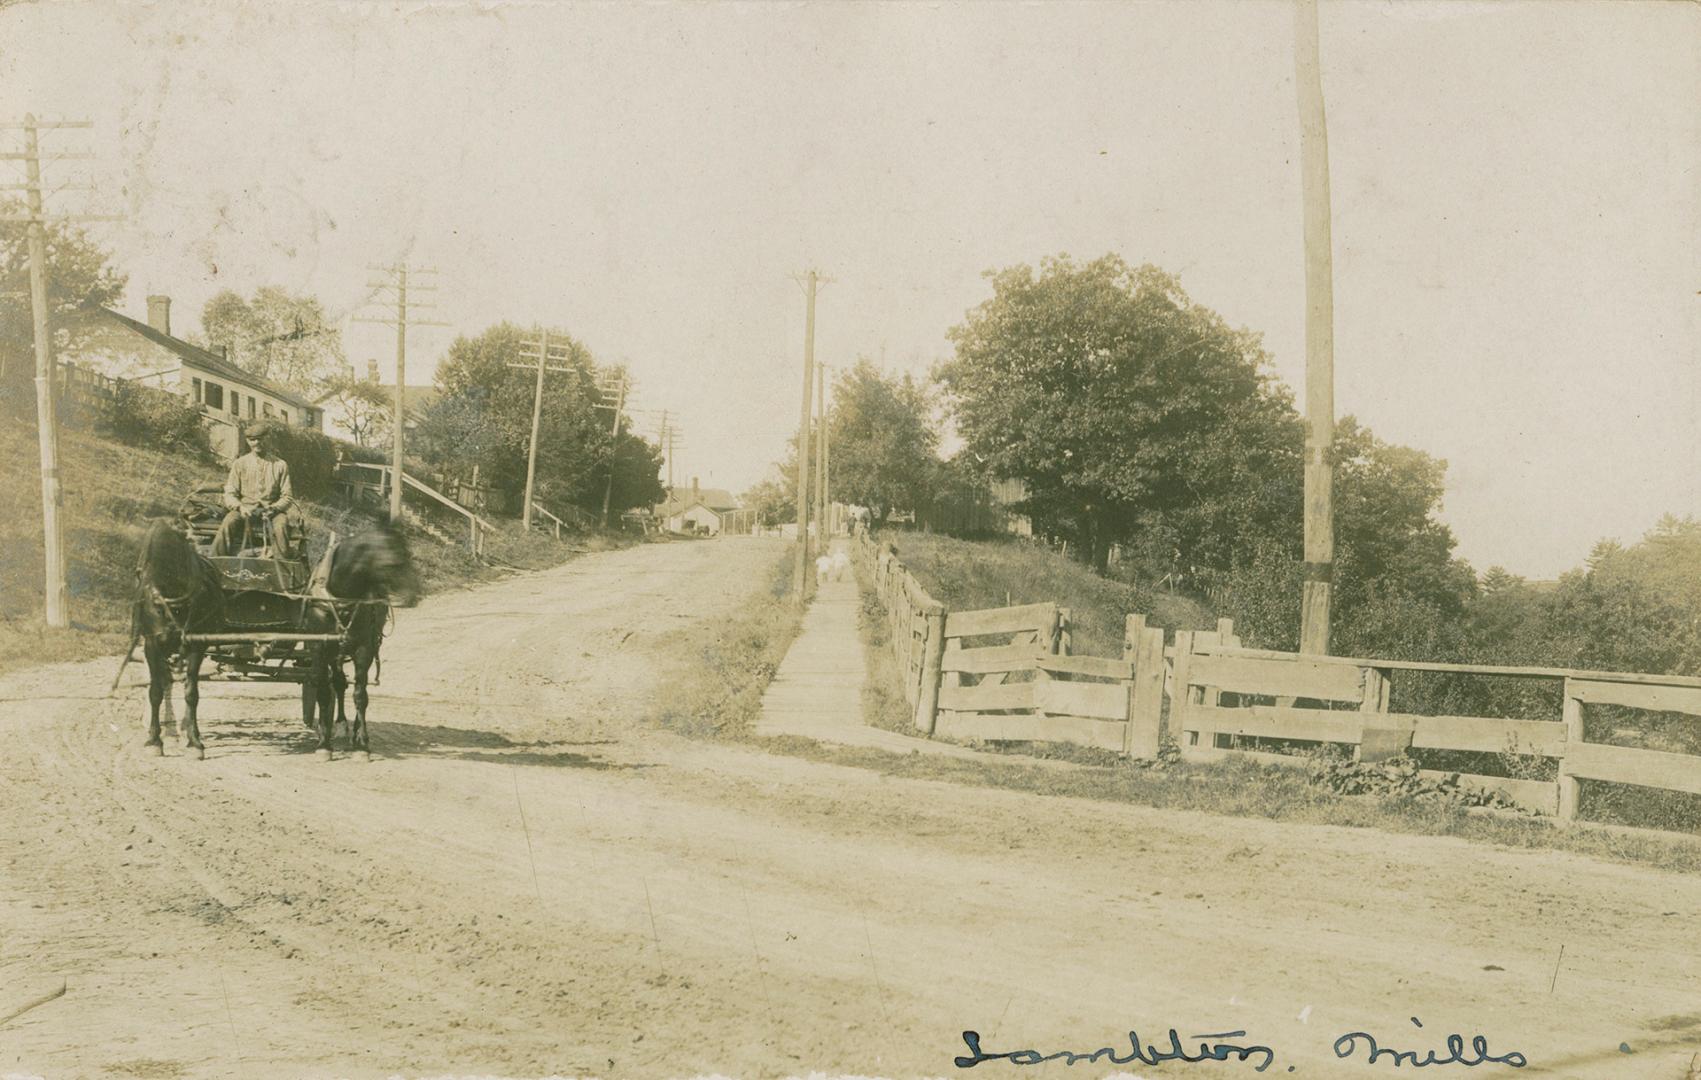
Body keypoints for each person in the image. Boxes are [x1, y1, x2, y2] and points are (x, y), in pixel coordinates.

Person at [213, 421, 299, 558]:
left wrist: (274, 509)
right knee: (229, 521)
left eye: (260, 439)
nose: (257, 443)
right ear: (248, 442)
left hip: (272, 512)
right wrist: (240, 507)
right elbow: (230, 493)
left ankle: (282, 567)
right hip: (245, 510)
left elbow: (287, 496)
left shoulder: (280, 465)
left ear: (267, 439)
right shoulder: (240, 463)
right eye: (252, 440)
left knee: (281, 526)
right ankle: (214, 562)